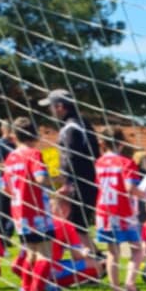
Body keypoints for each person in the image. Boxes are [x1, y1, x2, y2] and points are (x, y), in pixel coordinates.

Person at [94, 131, 146, 291]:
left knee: (113, 252)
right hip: (122, 211)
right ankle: (130, 285)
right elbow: (129, 188)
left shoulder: (99, 162)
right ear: (121, 144)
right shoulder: (126, 162)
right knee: (137, 249)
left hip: (103, 210)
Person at [1, 120, 56, 291]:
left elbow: (5, 187)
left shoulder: (10, 157)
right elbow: (40, 178)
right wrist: (53, 180)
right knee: (45, 254)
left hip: (19, 211)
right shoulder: (34, 154)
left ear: (14, 136)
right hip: (36, 210)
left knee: (31, 253)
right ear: (36, 135)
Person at [40, 88, 99, 238]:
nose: (50, 110)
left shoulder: (70, 128)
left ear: (60, 106)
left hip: (78, 186)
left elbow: (71, 157)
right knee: (78, 229)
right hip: (89, 182)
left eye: (51, 106)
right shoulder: (84, 124)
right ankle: (91, 251)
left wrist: (67, 184)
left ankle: (89, 253)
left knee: (74, 228)